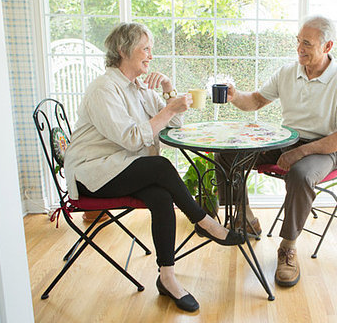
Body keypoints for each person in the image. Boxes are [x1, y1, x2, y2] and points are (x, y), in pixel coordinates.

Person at [64, 22, 243, 313]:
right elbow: (133, 139)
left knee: (161, 197)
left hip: (121, 166)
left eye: (151, 49)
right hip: (92, 174)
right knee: (159, 166)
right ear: (123, 51)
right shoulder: (104, 90)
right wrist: (168, 109)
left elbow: (174, 122)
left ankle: (167, 278)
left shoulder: (138, 87)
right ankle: (203, 221)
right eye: (145, 49)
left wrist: (169, 91)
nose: (150, 56)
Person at [216, 15, 337, 287]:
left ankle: (288, 248)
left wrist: (301, 153)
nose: (299, 48)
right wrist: (235, 96)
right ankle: (245, 217)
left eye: (307, 43)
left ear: (327, 46)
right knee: (227, 154)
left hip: (325, 148)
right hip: (285, 139)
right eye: (298, 41)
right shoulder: (287, 73)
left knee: (300, 175)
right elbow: (257, 101)